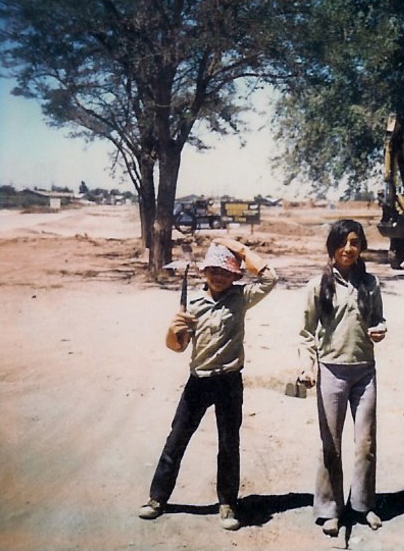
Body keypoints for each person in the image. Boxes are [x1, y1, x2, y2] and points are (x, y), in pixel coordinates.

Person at [138, 238, 278, 530]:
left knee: (229, 444)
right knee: (176, 439)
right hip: (198, 381)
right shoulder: (192, 304)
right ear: (204, 272)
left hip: (229, 381)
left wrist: (235, 247)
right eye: (213, 270)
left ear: (235, 275)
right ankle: (157, 499)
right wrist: (172, 331)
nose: (218, 276)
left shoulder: (241, 298)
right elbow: (177, 347)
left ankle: (227, 504)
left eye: (225, 271)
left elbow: (269, 277)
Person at [298, 219, 387, 537]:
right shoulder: (317, 284)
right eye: (343, 242)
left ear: (361, 247)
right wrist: (308, 367)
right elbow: (306, 333)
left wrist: (380, 330)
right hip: (331, 373)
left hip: (365, 372)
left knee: (365, 444)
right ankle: (330, 509)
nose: (349, 249)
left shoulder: (371, 283)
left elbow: (379, 319)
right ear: (332, 247)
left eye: (355, 242)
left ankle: (363, 506)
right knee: (330, 445)